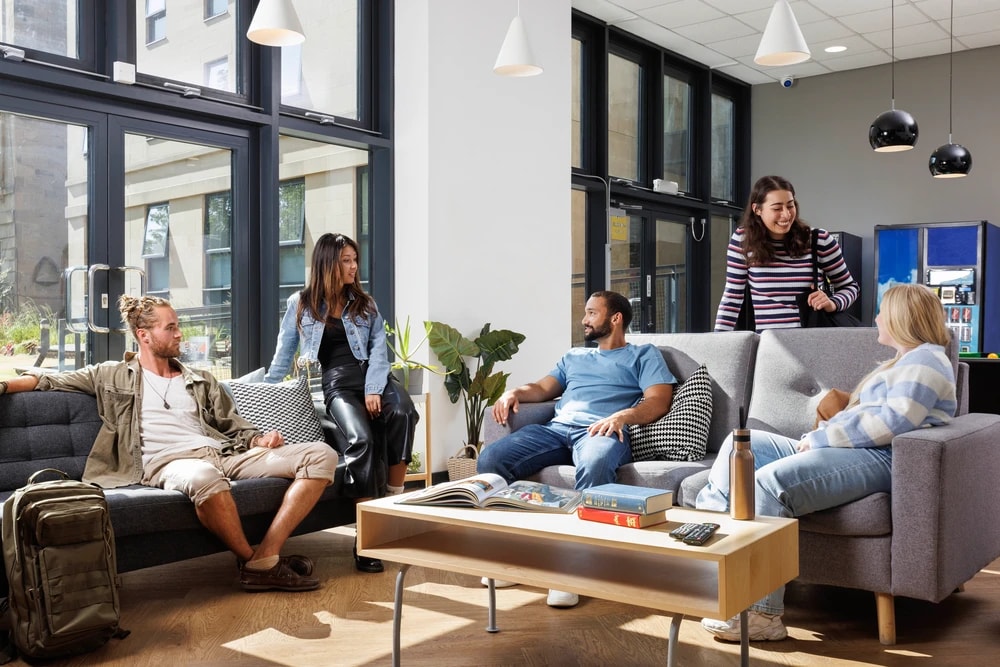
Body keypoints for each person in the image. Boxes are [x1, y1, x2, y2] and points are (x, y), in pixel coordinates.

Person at [1, 295, 337, 593]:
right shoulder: (111, 374)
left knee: (321, 455)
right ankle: (257, 564)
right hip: (166, 463)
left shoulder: (200, 378)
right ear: (144, 335)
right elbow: (46, 379)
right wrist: (4, 385)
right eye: (171, 327)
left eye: (178, 327)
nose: (179, 334)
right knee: (205, 477)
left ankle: (265, 557)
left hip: (223, 454)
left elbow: (233, 425)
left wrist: (259, 438)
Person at [697, 283, 957, 641]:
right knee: (738, 445)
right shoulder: (903, 361)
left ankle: (762, 614)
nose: (877, 318)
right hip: (846, 450)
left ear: (902, 318)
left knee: (767, 483)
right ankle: (713, 574)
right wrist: (816, 438)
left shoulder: (928, 359)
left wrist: (820, 438)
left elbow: (894, 423)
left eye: (883, 311)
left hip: (880, 459)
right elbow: (860, 417)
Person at [477, 290, 675, 608]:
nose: (584, 320)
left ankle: (573, 570)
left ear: (615, 318)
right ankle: (507, 557)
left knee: (595, 464)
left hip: (600, 432)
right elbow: (543, 388)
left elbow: (658, 399)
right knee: (492, 457)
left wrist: (624, 415)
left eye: (592, 313)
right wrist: (512, 392)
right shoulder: (574, 357)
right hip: (556, 431)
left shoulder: (643, 355)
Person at [265, 232, 418, 574]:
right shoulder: (300, 304)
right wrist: (265, 394)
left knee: (405, 412)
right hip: (336, 383)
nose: (353, 267)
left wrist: (374, 388)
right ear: (328, 264)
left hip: (372, 376)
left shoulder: (365, 303)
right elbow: (283, 355)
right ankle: (365, 540)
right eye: (346, 261)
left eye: (354, 260)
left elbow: (380, 350)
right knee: (360, 440)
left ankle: (392, 503)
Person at [714, 175, 860, 332]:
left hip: (813, 343)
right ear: (757, 209)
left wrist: (833, 303)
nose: (786, 214)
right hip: (768, 345)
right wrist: (720, 343)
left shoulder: (819, 240)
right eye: (777, 208)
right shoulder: (742, 241)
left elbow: (850, 287)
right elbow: (732, 298)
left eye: (790, 206)